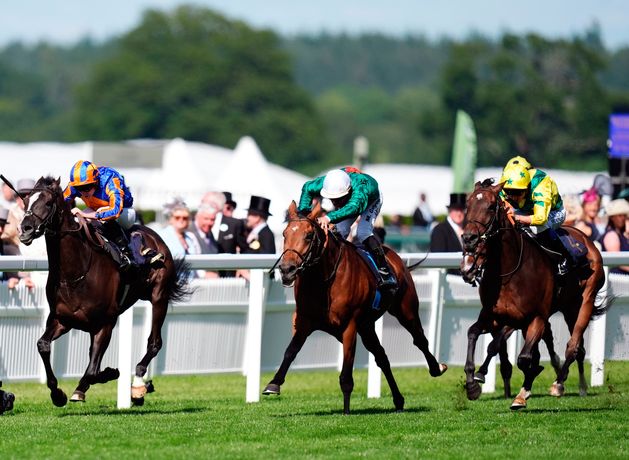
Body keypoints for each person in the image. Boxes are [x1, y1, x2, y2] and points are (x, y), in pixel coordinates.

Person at [297, 167, 396, 290]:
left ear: (348, 191)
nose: (335, 203)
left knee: (362, 233)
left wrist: (328, 217)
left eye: (339, 199)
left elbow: (354, 207)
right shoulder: (324, 183)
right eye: (332, 199)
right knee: (339, 232)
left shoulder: (360, 191)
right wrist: (303, 215)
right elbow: (307, 188)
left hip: (371, 200)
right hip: (351, 200)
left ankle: (385, 270)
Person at [63, 160, 162, 271]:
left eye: (87, 187)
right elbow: (60, 201)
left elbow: (115, 211)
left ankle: (127, 253)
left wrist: (84, 213)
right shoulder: (76, 184)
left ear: (96, 182)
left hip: (124, 213)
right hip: (96, 209)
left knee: (97, 212)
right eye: (79, 188)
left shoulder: (110, 179)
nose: (83, 192)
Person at [499, 156, 570, 275]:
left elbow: (540, 218)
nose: (512, 196)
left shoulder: (540, 185)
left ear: (527, 186)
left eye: (517, 192)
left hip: (553, 213)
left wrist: (517, 217)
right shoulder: (507, 184)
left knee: (534, 229)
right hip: (527, 211)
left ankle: (562, 258)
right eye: (509, 191)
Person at [429, 193, 467, 276]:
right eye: (456, 210)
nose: (459, 213)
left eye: (461, 210)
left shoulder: (469, 229)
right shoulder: (439, 230)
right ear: (450, 211)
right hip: (448, 279)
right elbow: (438, 259)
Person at [188, 203, 221, 278]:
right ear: (197, 217)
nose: (209, 223)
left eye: (212, 220)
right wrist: (204, 274)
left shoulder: (209, 232)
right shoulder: (188, 232)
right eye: (206, 219)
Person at [0, 207, 27, 290]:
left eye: (2, 225)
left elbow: (10, 274)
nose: (0, 230)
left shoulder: (4, 245)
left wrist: (23, 280)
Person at [601, 198, 629, 275]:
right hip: (617, 278)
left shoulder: (622, 234)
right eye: (620, 216)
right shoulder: (611, 235)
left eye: (624, 216)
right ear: (612, 217)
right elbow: (617, 261)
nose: (623, 218)